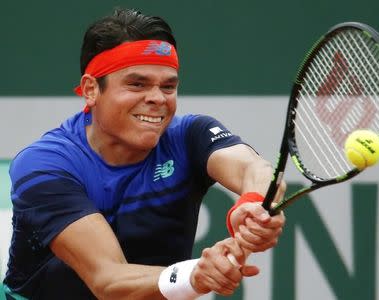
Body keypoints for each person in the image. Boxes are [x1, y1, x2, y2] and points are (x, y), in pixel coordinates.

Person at [2, 8, 286, 300]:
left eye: (168, 86)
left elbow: (255, 170)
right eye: (137, 84)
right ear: (90, 90)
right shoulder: (45, 166)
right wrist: (195, 274)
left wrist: (253, 204)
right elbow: (108, 280)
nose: (157, 98)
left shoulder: (191, 136)